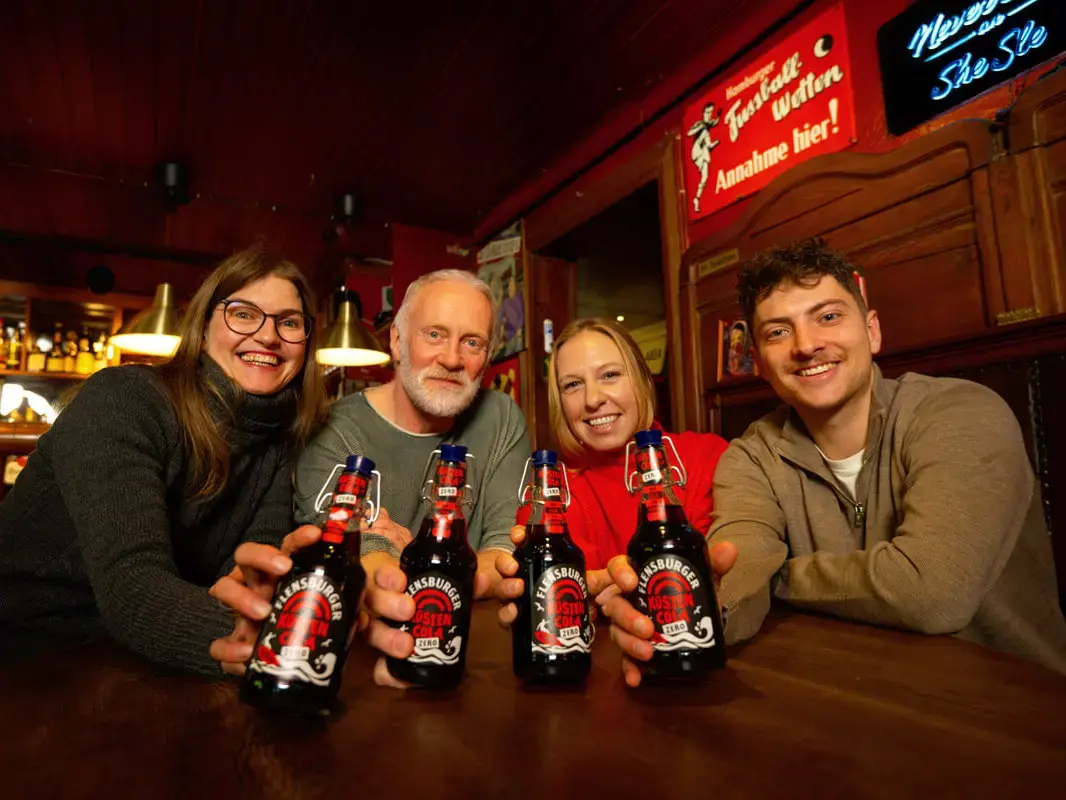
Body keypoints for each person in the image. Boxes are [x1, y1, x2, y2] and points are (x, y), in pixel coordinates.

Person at [603, 238, 1066, 681]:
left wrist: (779, 577)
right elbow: (741, 568)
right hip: (858, 707)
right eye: (778, 331)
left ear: (872, 331)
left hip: (1019, 716)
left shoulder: (962, 413)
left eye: (827, 316)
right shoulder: (751, 454)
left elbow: (931, 592)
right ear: (760, 364)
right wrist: (680, 613)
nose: (806, 345)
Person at [0, 245, 329, 676]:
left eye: (289, 323)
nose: (268, 336)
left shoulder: (276, 443)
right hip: (26, 658)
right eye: (244, 314)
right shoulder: (124, 399)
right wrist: (281, 647)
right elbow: (132, 586)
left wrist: (270, 609)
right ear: (204, 326)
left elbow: (250, 581)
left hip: (135, 666)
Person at [213, 268, 531, 685]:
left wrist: (409, 553)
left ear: (486, 359)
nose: (452, 359)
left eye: (472, 342)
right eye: (434, 335)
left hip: (466, 664)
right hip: (346, 666)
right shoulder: (332, 430)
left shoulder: (502, 417)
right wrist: (441, 564)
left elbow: (504, 558)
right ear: (397, 342)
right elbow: (351, 561)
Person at [493, 318, 732, 667]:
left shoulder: (704, 457)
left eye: (609, 375)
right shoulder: (552, 493)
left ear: (641, 379)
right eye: (573, 385)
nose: (593, 400)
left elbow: (721, 580)